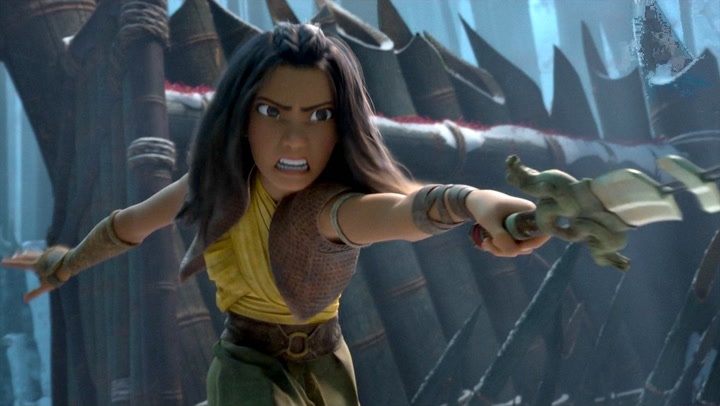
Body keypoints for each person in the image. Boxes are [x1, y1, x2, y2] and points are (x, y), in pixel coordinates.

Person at [2, 22, 548, 406]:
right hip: (247, 370)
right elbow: (132, 224)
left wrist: (475, 201)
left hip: (329, 365)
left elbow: (403, 212)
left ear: (340, 126)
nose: (294, 138)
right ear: (244, 116)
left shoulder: (329, 208)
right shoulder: (216, 183)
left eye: (318, 115)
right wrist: (65, 263)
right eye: (272, 111)